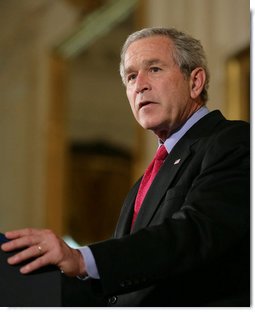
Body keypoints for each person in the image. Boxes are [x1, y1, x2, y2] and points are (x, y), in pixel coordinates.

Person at [1, 27, 250, 307]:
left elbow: (194, 233)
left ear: (195, 82)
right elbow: (125, 290)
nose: (139, 84)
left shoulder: (234, 141)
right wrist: (27, 284)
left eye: (154, 69)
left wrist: (82, 259)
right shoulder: (142, 184)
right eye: (131, 77)